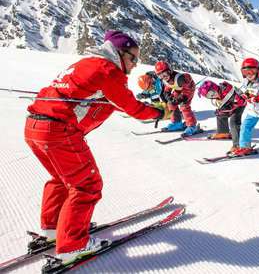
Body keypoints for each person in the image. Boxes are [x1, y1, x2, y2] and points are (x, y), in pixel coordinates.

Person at [24, 30, 170, 263]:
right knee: (87, 185)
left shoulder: (87, 64)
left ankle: (53, 230)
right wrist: (159, 112)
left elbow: (106, 99)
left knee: (62, 179)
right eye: (133, 58)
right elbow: (132, 107)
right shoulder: (107, 70)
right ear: (119, 53)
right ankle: (72, 245)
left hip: (35, 127)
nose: (134, 66)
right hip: (59, 131)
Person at [197, 80, 247, 153]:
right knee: (220, 114)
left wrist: (225, 109)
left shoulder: (227, 92)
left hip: (239, 105)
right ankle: (223, 132)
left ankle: (238, 145)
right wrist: (223, 110)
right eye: (209, 96)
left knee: (233, 122)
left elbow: (240, 102)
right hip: (231, 104)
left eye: (212, 93)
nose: (213, 96)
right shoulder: (219, 92)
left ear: (214, 87)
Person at [154, 60, 200, 136]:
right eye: (160, 76)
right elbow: (167, 87)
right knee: (171, 104)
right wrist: (168, 95)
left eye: (165, 74)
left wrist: (180, 99)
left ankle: (192, 126)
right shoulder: (165, 80)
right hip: (178, 89)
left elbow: (187, 91)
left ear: (170, 71)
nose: (164, 77)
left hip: (188, 90)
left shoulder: (179, 79)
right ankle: (177, 123)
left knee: (184, 106)